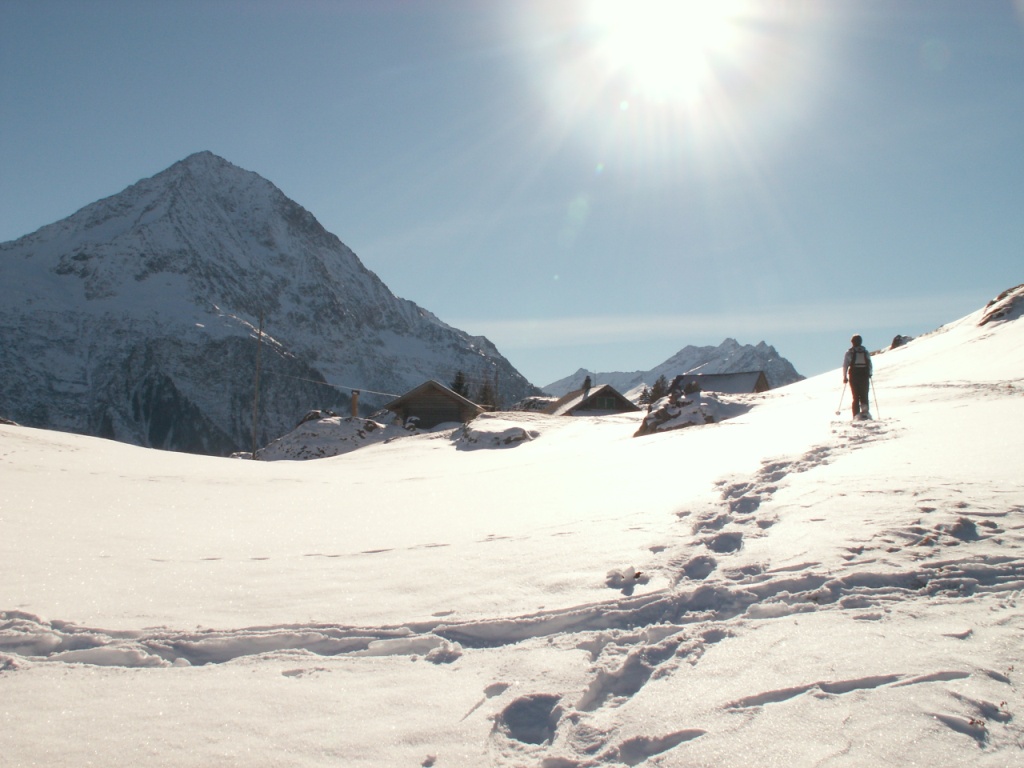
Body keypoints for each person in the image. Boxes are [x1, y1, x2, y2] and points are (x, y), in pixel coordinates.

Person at [843, 334, 873, 418]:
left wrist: (845, 377)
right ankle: (865, 413)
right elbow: (869, 364)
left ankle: (856, 415)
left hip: (854, 374)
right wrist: (870, 373)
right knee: (864, 394)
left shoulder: (850, 352)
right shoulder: (865, 351)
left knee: (855, 396)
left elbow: (845, 365)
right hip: (864, 374)